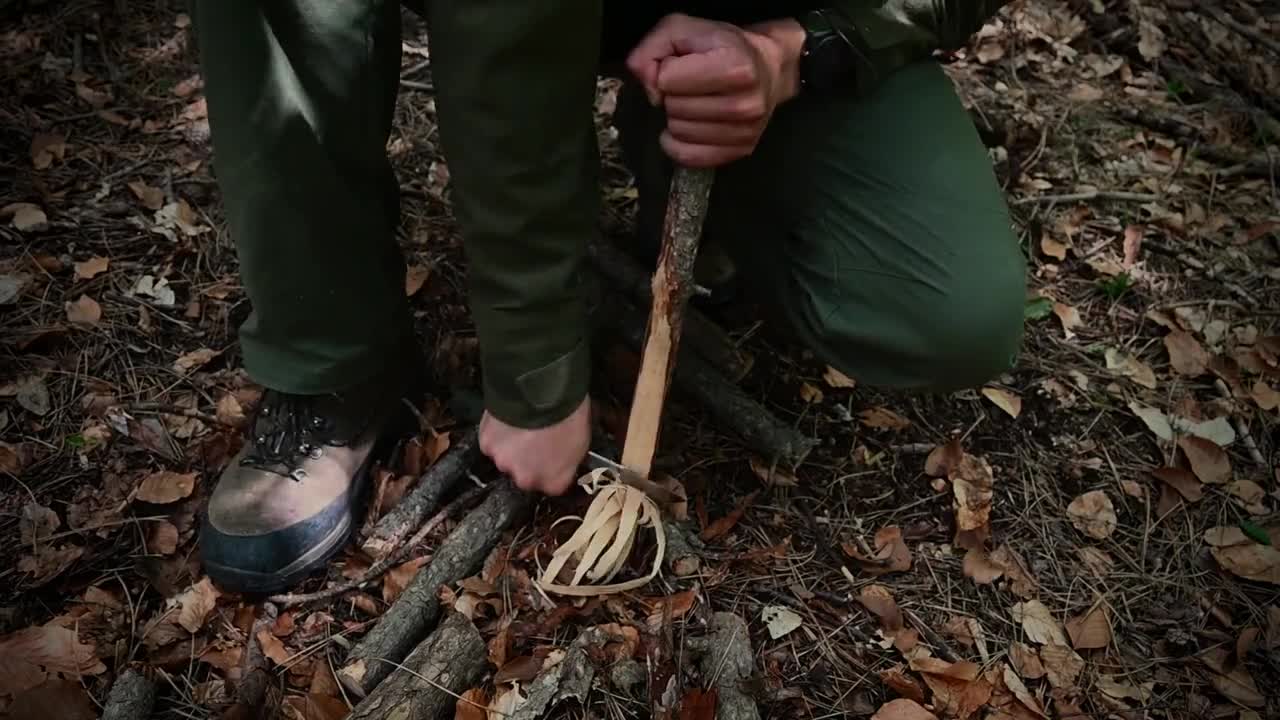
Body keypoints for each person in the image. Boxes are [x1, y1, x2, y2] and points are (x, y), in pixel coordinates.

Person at [191, 1, 1025, 594]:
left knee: (950, 314)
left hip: (749, 17)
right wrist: (536, 364)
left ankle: (686, 130)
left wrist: (801, 50)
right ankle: (329, 355)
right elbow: (506, 34)